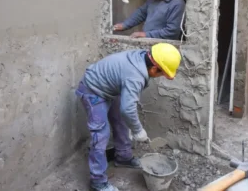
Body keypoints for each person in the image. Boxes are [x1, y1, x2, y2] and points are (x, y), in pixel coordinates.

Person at [75, 43, 182, 191]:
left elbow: (126, 110)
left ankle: (123, 157)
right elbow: (128, 109)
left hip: (109, 89)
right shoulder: (135, 76)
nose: (160, 77)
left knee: (121, 122)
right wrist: (138, 130)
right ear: (154, 68)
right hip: (93, 91)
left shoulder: (143, 57)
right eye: (161, 73)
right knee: (100, 135)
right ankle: (98, 182)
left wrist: (132, 125)